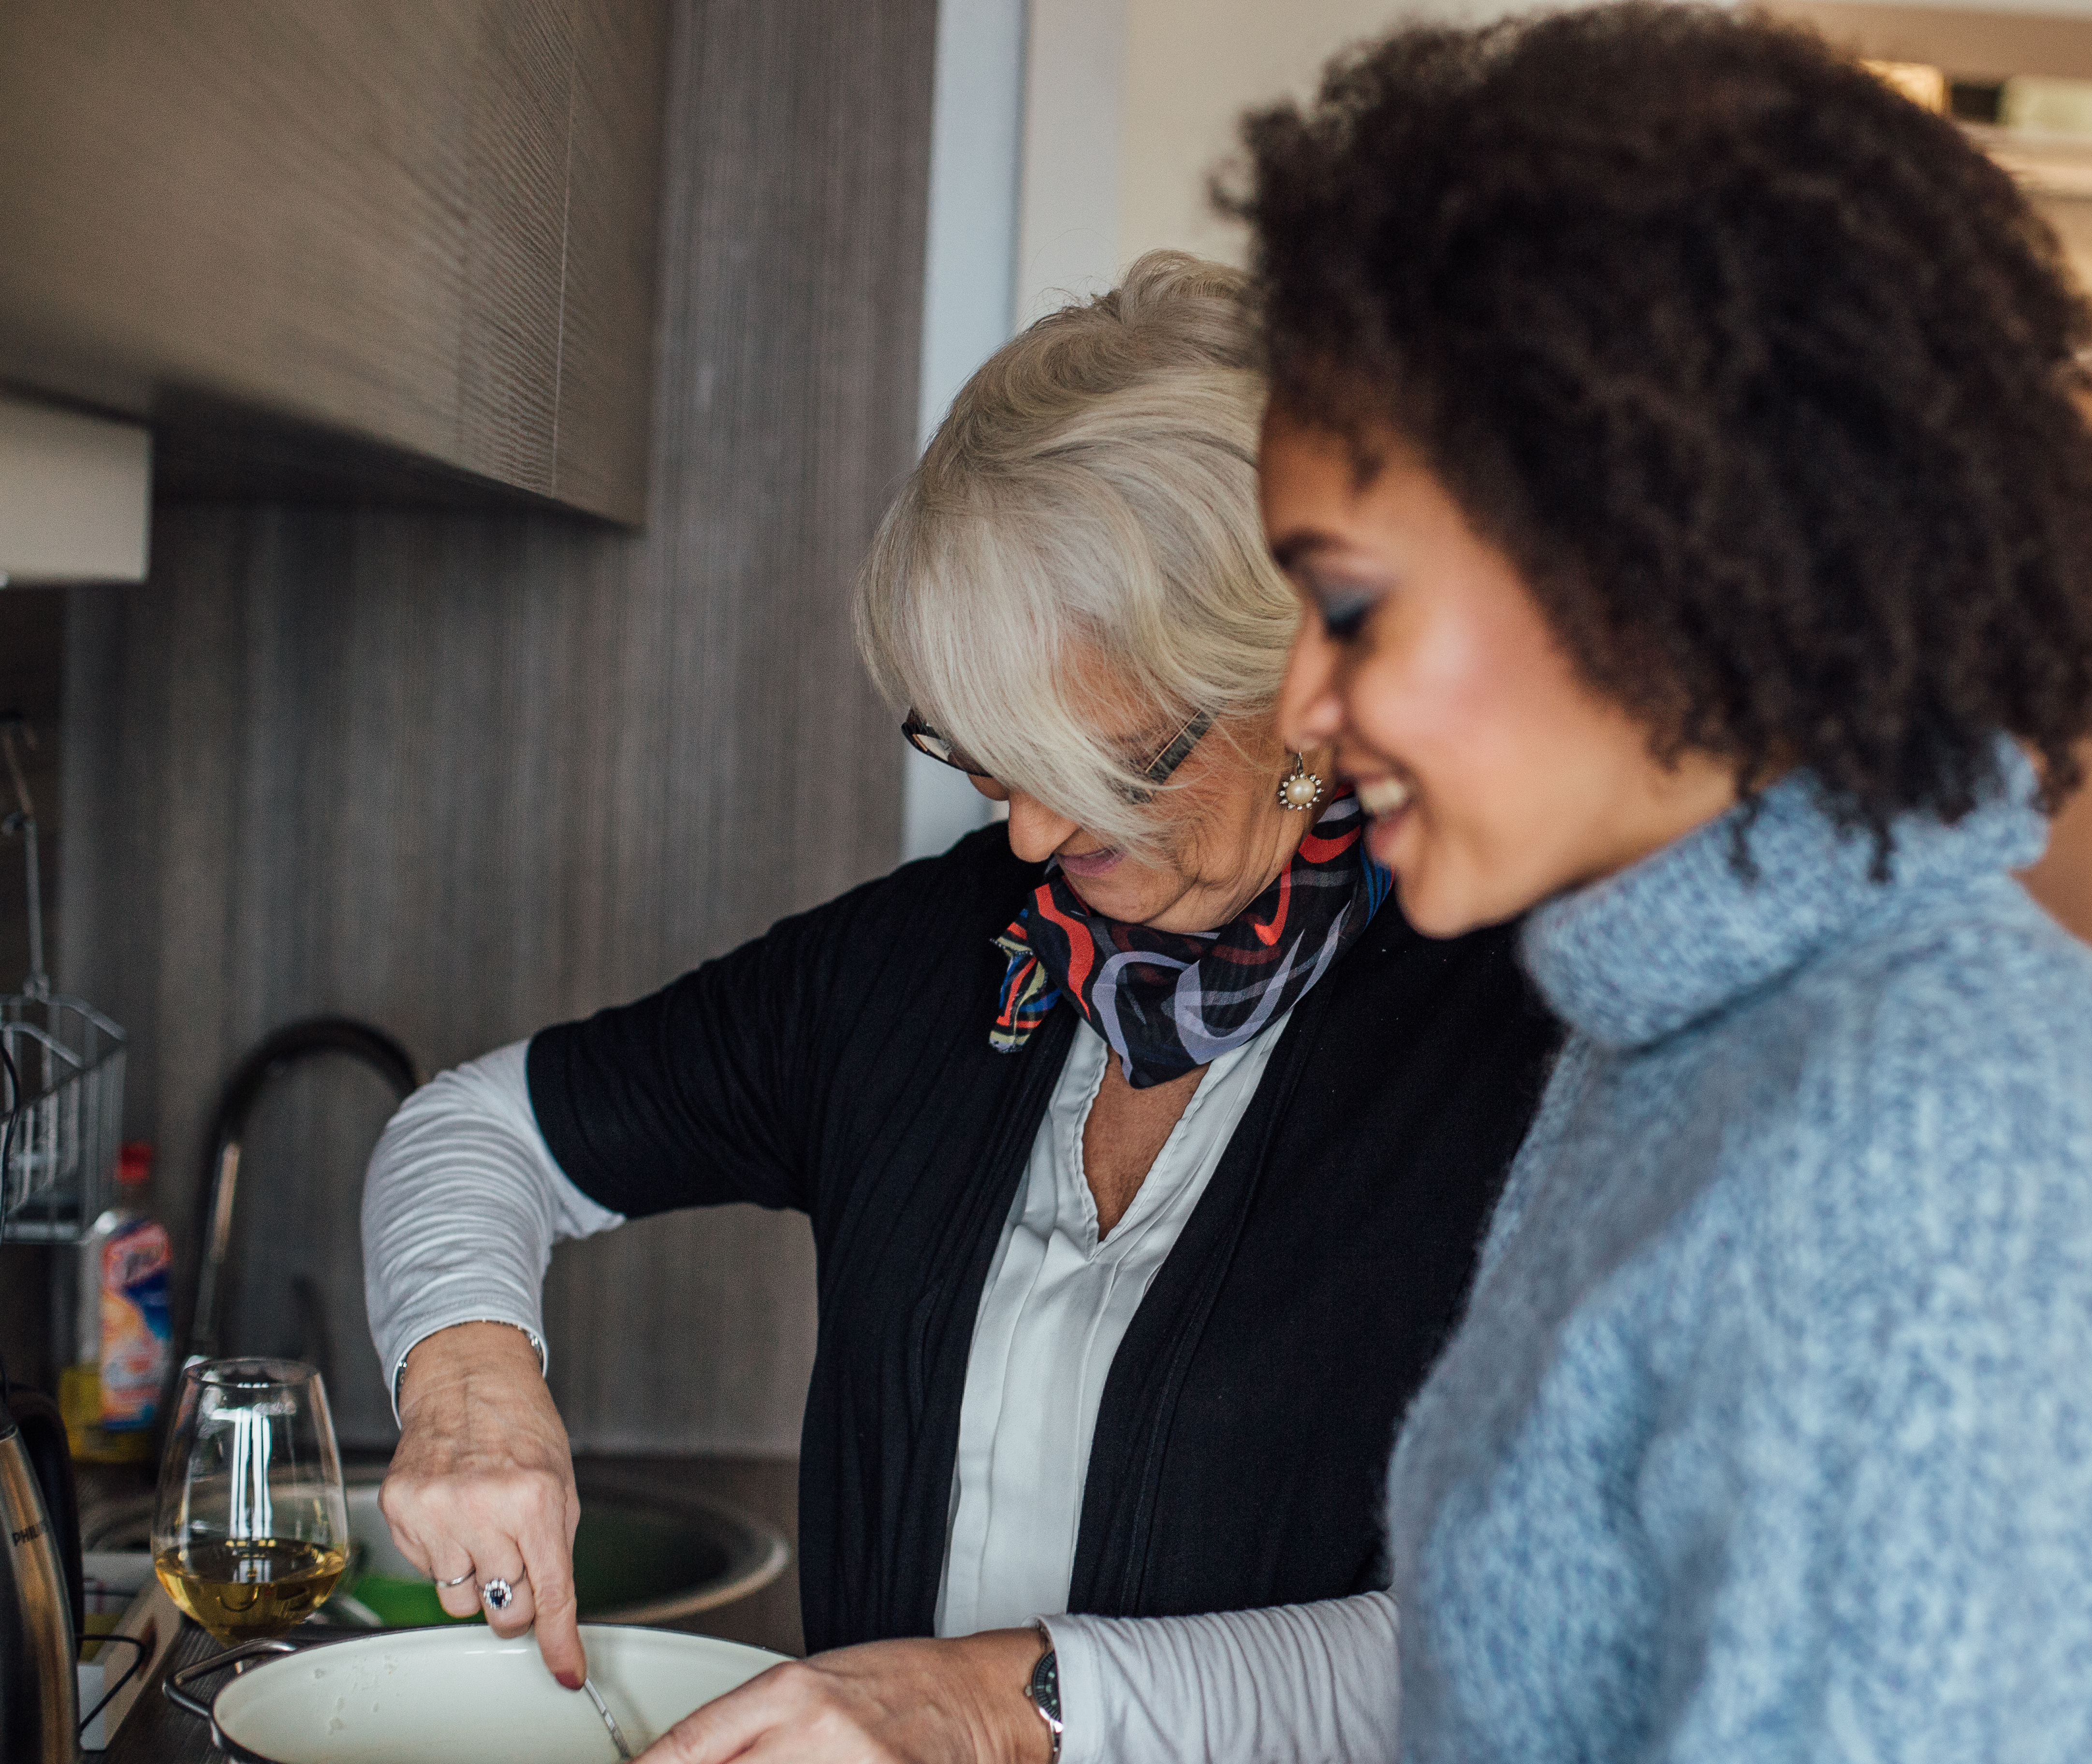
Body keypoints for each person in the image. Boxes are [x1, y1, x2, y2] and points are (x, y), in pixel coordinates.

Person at [360, 251, 1558, 1764]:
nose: (1038, 843)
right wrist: (470, 1376)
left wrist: (1000, 1705)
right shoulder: (927, 958)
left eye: (1108, 771)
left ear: (1301, 684)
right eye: (991, 764)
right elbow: (477, 1131)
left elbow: (1536, 1638)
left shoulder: (1528, 1038)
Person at [1238, 8, 2092, 1761]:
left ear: (1627, 552)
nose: (1303, 711)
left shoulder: (1941, 1110)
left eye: (1347, 610)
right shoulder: (1671, 1034)